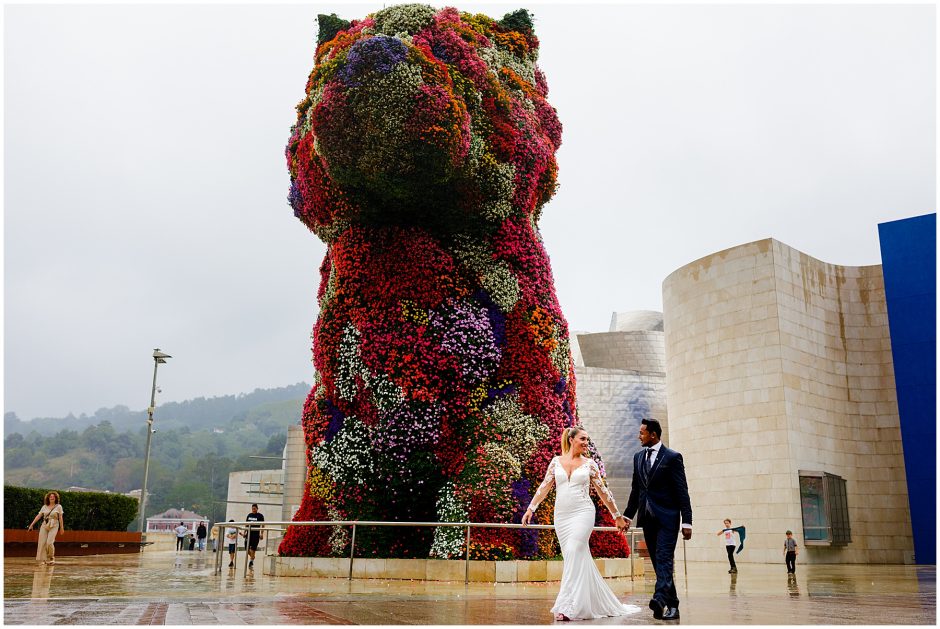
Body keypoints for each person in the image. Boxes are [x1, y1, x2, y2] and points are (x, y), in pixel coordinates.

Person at [522, 426, 641, 621]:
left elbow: (603, 492)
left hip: (583, 513)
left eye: (587, 439)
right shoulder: (555, 462)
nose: (586, 443)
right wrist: (531, 508)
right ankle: (583, 602)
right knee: (573, 556)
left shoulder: (590, 464)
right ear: (571, 439)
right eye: (583, 439)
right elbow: (544, 486)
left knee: (574, 548)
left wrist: (617, 516)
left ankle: (567, 605)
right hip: (561, 516)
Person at [624, 418, 692, 622]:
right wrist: (628, 515)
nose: (639, 436)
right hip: (647, 519)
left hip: (668, 519)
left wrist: (687, 521)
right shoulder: (638, 457)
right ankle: (672, 605)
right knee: (657, 563)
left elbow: (682, 491)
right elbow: (636, 490)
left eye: (642, 433)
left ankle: (659, 599)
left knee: (663, 559)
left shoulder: (672, 457)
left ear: (653, 434)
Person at [27, 491, 64, 565]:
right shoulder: (44, 506)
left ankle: (51, 557)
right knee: (42, 542)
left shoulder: (58, 506)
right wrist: (31, 525)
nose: (52, 497)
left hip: (54, 525)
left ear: (56, 498)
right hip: (45, 525)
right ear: (48, 498)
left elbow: (60, 518)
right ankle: (43, 559)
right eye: (50, 496)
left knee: (49, 542)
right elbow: (39, 516)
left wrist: (62, 528)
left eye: (53, 496)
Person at [243, 504, 265, 569]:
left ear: (257, 509)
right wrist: (244, 532)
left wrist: (261, 533)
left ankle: (251, 561)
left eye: (255, 508)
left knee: (253, 549)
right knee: (246, 548)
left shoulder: (260, 516)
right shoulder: (249, 515)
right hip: (249, 534)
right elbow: (246, 525)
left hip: (255, 535)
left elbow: (263, 525)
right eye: (252, 508)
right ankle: (253, 557)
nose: (253, 510)